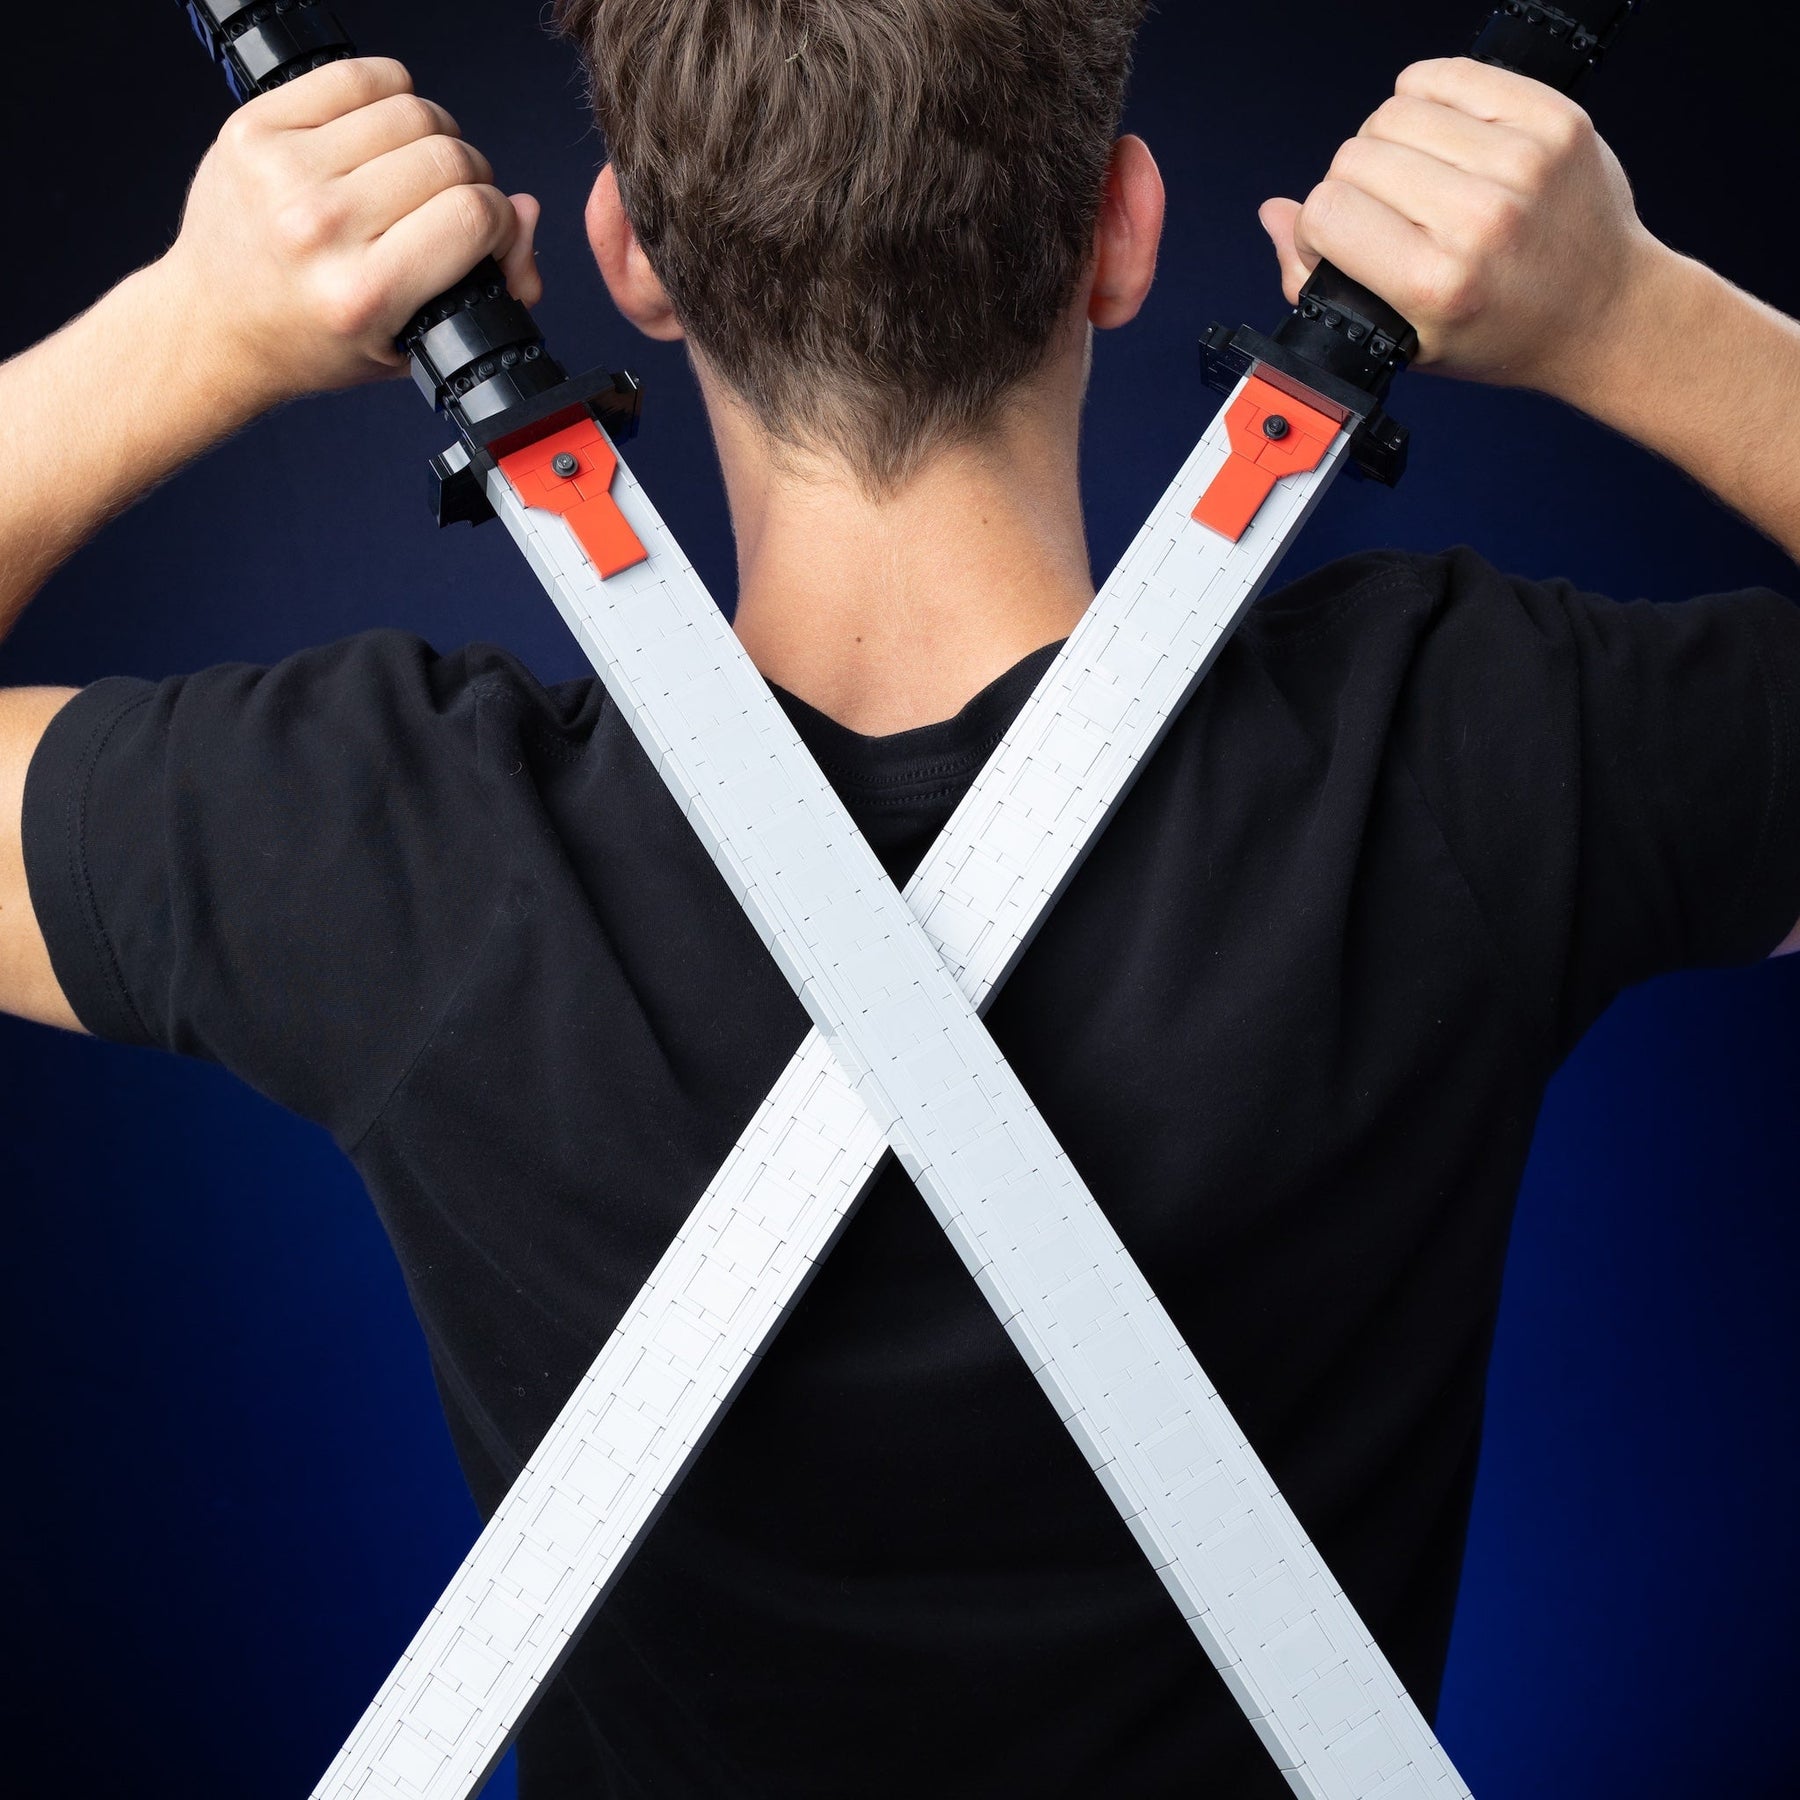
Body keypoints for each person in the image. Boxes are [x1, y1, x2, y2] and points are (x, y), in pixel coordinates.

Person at [1, 1, 1796, 1792]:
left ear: (630, 257)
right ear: (1124, 233)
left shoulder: (378, 839)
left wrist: (196, 325)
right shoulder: (1464, 754)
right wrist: (1632, 314)